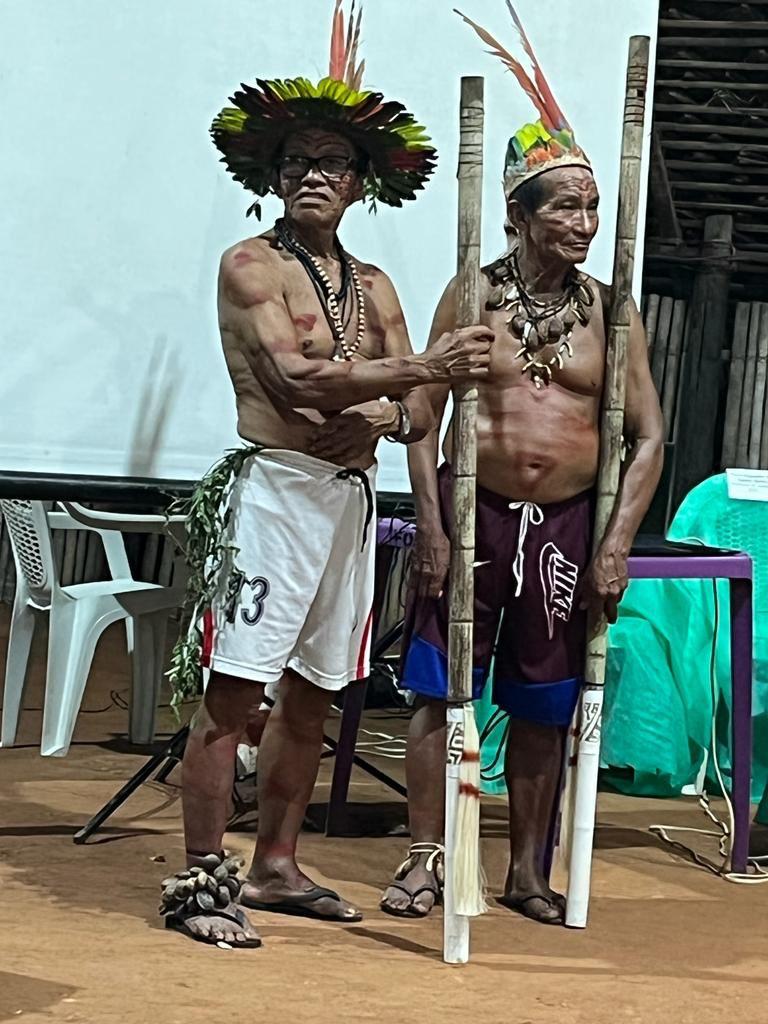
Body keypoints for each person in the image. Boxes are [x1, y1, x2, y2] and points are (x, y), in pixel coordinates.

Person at [158, 2, 493, 948]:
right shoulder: (249, 265)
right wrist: (416, 375)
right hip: (271, 495)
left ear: (359, 187)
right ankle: (200, 882)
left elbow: (417, 416)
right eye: (297, 161)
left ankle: (273, 865)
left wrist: (387, 409)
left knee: (313, 694)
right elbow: (294, 378)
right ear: (272, 177)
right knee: (236, 694)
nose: (313, 174)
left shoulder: (378, 286)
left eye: (331, 164)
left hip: (345, 504)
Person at [381, 6, 664, 925]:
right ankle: (427, 858)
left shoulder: (613, 312)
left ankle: (527, 871)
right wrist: (429, 523)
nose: (585, 221)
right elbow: (423, 416)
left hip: (570, 528)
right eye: (566, 206)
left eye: (591, 205)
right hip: (474, 516)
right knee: (439, 689)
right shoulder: (472, 295)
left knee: (545, 702)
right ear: (517, 214)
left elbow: (648, 436)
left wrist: (616, 542)